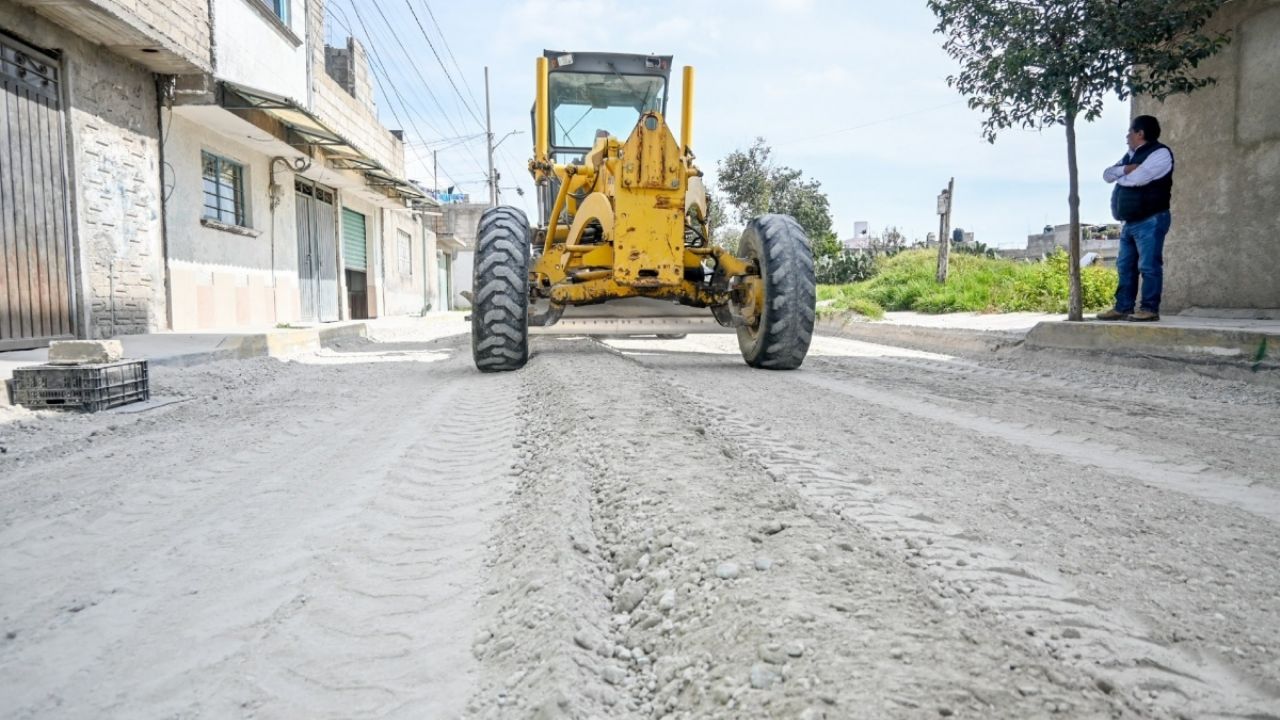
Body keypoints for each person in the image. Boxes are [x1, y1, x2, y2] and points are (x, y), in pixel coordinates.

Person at [1097, 115, 1174, 322]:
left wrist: (1121, 176)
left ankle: (1149, 309)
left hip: (1151, 219)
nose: (1127, 136)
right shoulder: (1129, 156)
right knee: (1124, 266)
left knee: (1149, 266)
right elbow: (1107, 175)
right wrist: (1125, 170)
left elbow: (1139, 179)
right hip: (1129, 222)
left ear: (1140, 133)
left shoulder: (1160, 153)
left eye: (1130, 131)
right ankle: (1123, 307)